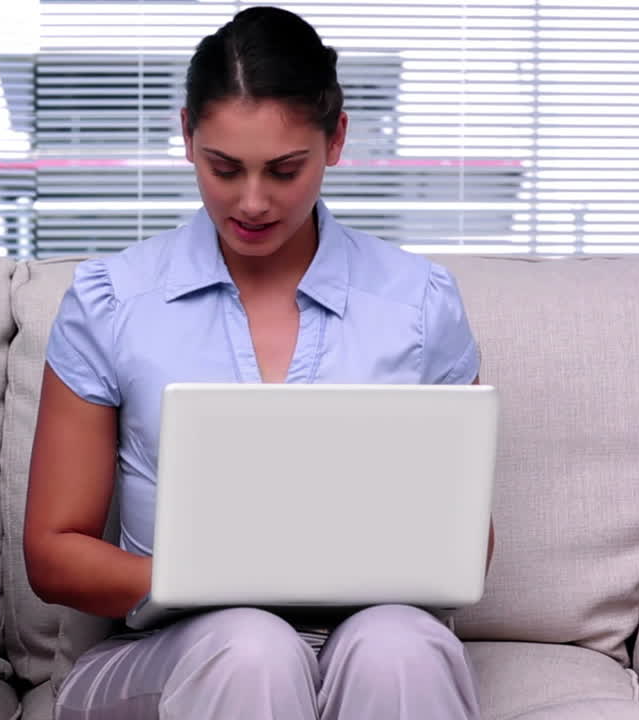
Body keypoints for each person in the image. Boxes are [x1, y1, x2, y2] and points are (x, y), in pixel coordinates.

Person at [24, 6, 492, 719]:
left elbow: (466, 542)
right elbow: (53, 553)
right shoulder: (112, 300)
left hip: (369, 634)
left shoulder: (419, 304)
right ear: (186, 137)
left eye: (283, 170)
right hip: (174, 649)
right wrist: (202, 580)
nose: (251, 202)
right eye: (223, 167)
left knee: (401, 646)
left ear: (335, 139)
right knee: (252, 646)